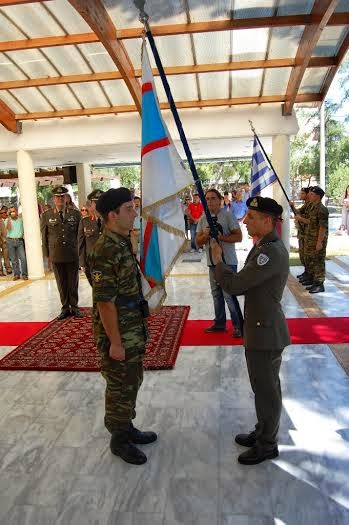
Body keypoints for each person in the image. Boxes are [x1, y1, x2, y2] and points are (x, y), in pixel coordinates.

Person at [210, 196, 290, 465]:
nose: (245, 221)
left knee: (267, 390)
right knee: (262, 387)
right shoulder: (264, 246)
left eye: (252, 218)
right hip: (259, 328)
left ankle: (268, 443)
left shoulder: (271, 252)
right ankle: (263, 430)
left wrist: (219, 262)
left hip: (265, 332)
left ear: (268, 221)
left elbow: (236, 285)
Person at [87, 188, 157, 465]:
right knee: (119, 384)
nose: (134, 213)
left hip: (131, 324)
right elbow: (104, 302)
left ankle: (127, 426)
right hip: (118, 330)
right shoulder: (104, 249)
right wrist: (115, 342)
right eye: (129, 209)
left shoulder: (121, 241)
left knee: (132, 379)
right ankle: (119, 438)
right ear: (112, 215)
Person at [196, 188, 243, 338]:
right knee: (216, 294)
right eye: (207, 199)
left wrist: (221, 237)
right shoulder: (203, 219)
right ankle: (219, 323)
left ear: (220, 200)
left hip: (227, 261)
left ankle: (238, 326)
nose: (209, 201)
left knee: (229, 294)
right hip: (212, 262)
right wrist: (205, 234)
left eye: (212, 198)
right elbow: (197, 242)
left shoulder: (228, 216)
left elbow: (239, 237)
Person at [41, 186, 83, 319]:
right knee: (61, 283)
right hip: (56, 254)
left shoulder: (75, 214)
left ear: (66, 198)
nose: (60, 199)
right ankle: (65, 308)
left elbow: (79, 235)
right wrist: (47, 254)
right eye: (57, 197)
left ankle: (75, 307)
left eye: (62, 196)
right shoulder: (46, 215)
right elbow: (44, 236)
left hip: (72, 253)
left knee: (73, 282)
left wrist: (80, 253)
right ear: (54, 199)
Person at [298, 186, 328, 294]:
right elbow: (311, 222)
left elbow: (322, 227)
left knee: (318, 260)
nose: (309, 195)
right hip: (310, 237)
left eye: (312, 194)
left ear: (318, 196)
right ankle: (313, 280)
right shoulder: (312, 207)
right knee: (311, 259)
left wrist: (319, 242)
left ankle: (319, 284)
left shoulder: (321, 209)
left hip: (317, 239)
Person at [78, 189, 104, 277]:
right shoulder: (85, 222)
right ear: (92, 204)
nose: (98, 205)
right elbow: (81, 244)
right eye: (95, 203)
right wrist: (82, 263)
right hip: (91, 262)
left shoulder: (112, 221)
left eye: (101, 202)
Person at [293, 187, 312, 281]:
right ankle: (306, 272)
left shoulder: (311, 206)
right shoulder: (306, 205)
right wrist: (292, 207)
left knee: (308, 256)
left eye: (303, 194)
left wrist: (300, 219)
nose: (301, 195)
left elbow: (311, 221)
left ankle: (311, 275)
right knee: (303, 255)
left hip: (308, 234)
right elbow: (298, 213)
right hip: (302, 233)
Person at [6, 206, 28, 281]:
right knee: (13, 259)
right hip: (10, 241)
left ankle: (24, 274)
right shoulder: (7, 220)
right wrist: (9, 218)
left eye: (13, 211)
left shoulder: (21, 220)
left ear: (16, 212)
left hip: (19, 241)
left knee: (23, 258)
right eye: (11, 211)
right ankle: (16, 274)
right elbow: (9, 228)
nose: (12, 213)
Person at [0, 208, 12, 276]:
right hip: (2, 239)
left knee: (6, 255)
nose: (3, 214)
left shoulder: (9, 219)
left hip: (6, 240)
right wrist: (2, 238)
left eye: (4, 212)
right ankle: (0, 270)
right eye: (1, 213)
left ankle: (8, 268)